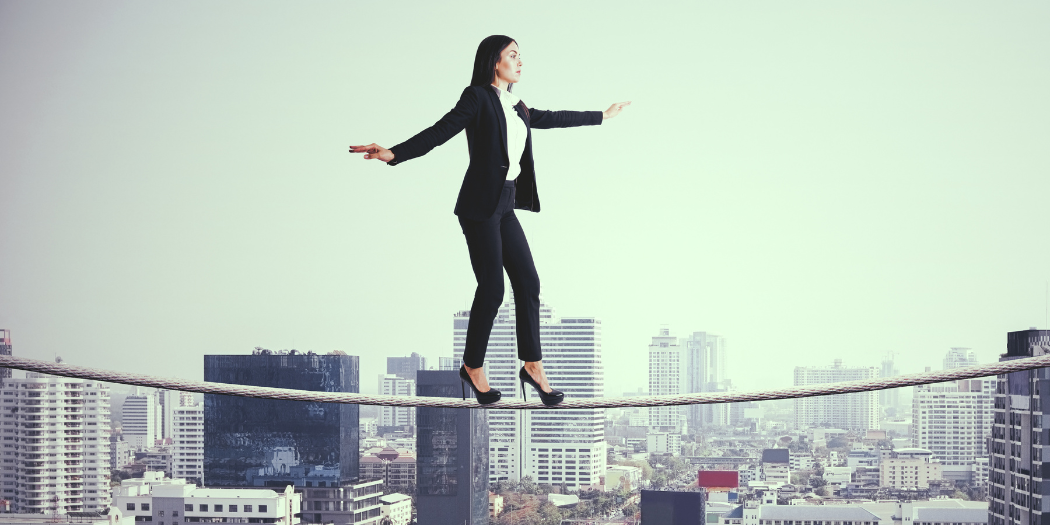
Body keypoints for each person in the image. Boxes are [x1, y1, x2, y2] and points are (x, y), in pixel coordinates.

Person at [350, 35, 630, 405]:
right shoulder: (477, 97)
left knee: (528, 282)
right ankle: (472, 367)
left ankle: (532, 366)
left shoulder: (519, 107)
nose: (520, 61)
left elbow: (554, 118)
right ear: (494, 62)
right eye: (513, 55)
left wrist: (602, 116)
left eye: (520, 56)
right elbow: (441, 131)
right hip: (480, 206)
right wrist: (394, 153)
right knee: (493, 289)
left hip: (506, 205)